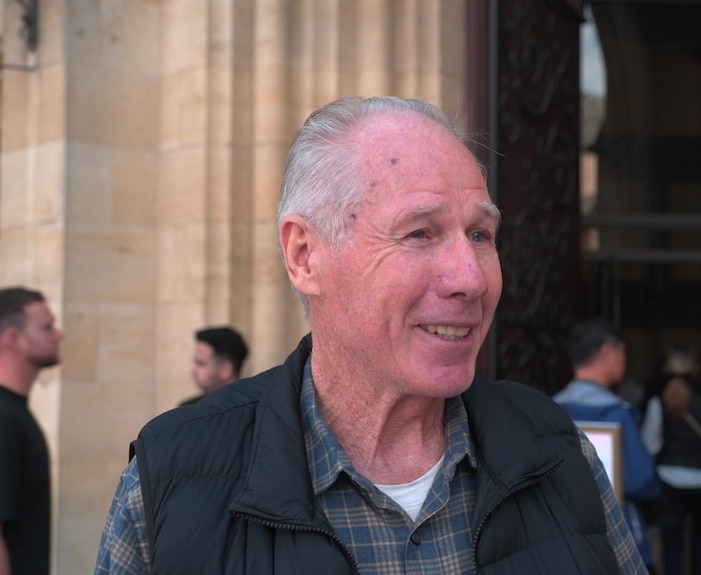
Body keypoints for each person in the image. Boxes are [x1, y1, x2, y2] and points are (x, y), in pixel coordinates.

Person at [94, 96, 646, 574]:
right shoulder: (169, 481)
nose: (472, 278)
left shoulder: (559, 454)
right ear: (305, 256)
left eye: (480, 234)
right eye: (419, 233)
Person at [554, 318, 662, 572]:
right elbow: (641, 480)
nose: (625, 359)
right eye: (623, 351)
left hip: (563, 535)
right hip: (617, 536)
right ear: (606, 352)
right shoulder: (618, 413)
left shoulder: (551, 409)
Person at [640, 346, 701, 575]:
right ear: (696, 370)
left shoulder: (658, 402)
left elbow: (649, 444)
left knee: (672, 548)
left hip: (670, 481)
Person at [0, 287, 63, 575]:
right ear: (14, 338)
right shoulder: (4, 417)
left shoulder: (14, 413)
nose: (58, 335)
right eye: (47, 327)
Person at [178, 326, 248, 406]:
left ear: (226, 369)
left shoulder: (253, 410)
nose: (192, 370)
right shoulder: (188, 409)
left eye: (200, 363)